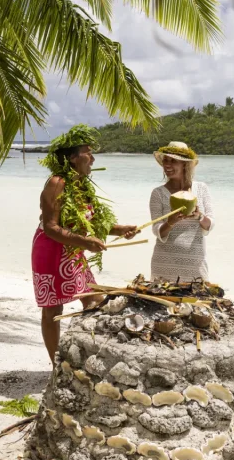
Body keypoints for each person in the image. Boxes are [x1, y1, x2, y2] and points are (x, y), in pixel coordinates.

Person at [32, 125, 138, 364]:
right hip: (50, 250)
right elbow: (50, 226)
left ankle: (82, 355)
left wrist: (119, 230)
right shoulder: (57, 183)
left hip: (72, 250)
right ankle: (55, 365)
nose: (93, 158)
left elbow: (92, 224)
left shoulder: (82, 185)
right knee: (53, 309)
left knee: (93, 300)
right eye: (87, 152)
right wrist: (84, 242)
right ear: (71, 157)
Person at [149, 141, 215, 283]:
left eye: (173, 161)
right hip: (164, 263)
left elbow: (210, 225)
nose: (167, 165)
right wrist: (170, 222)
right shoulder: (158, 193)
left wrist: (199, 216)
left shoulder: (201, 189)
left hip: (195, 263)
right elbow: (156, 229)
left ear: (185, 164)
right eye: (165, 160)